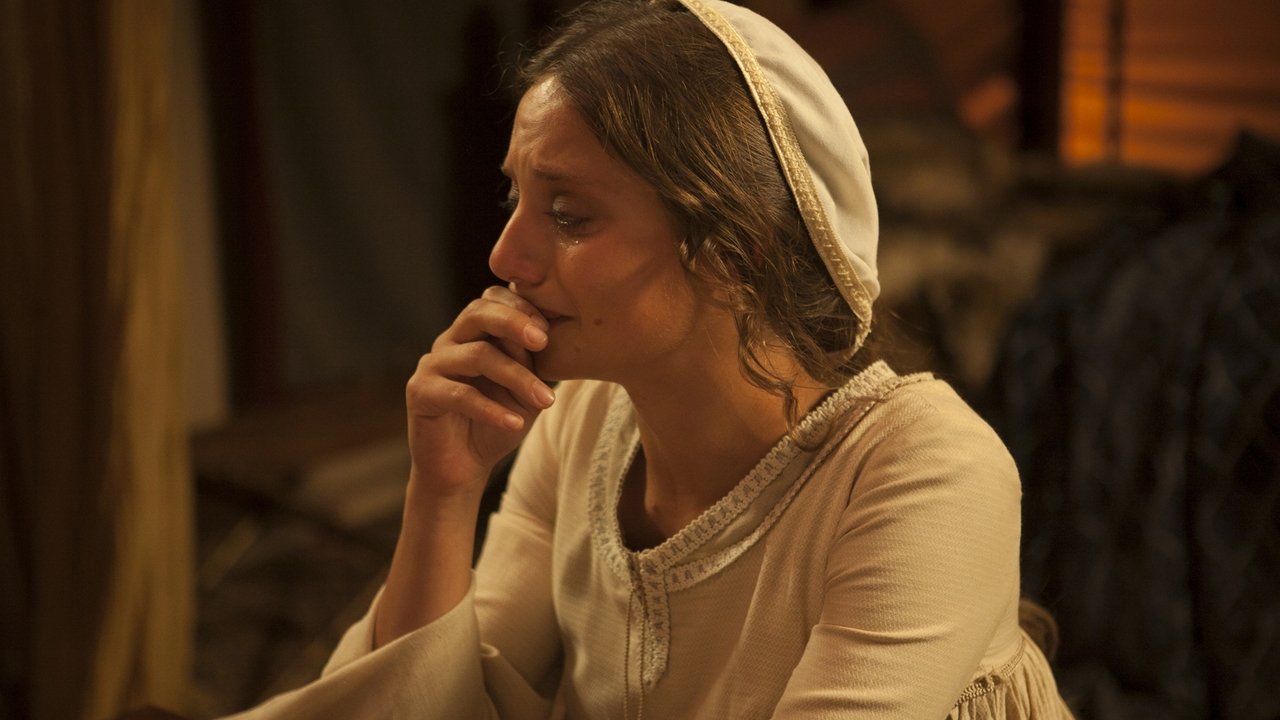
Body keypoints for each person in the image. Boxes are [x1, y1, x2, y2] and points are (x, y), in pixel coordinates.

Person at [227, 0, 1074, 717]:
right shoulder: (584, 420)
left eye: (569, 215)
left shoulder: (923, 474)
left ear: (735, 249)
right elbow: (428, 707)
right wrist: (443, 492)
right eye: (515, 196)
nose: (505, 256)